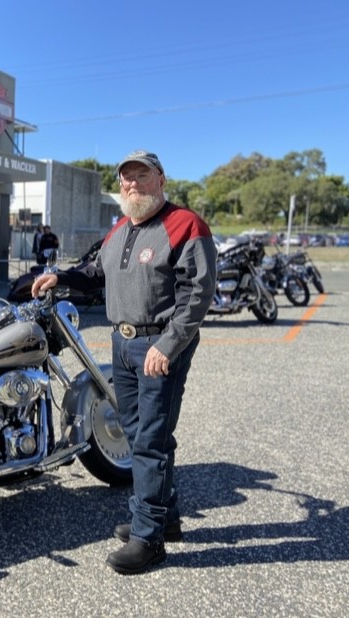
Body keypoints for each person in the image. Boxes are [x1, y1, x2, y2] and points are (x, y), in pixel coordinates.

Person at [31, 150, 217, 575]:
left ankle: (148, 538)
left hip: (159, 349)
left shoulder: (186, 224)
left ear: (161, 179)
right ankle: (163, 517)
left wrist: (168, 346)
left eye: (142, 175)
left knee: (150, 440)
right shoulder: (120, 229)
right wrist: (62, 277)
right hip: (123, 345)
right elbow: (95, 272)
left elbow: (197, 294)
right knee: (139, 436)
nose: (133, 184)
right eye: (126, 178)